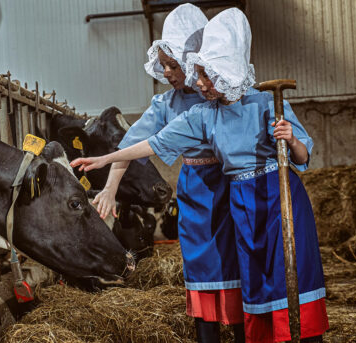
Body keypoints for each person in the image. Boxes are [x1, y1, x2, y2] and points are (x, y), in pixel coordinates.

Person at [72, 8, 328, 343]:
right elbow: (147, 143)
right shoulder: (194, 113)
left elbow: (301, 154)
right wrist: (107, 168)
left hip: (262, 193)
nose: (175, 75)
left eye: (178, 66)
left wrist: (291, 139)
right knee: (237, 273)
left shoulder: (262, 103)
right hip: (226, 195)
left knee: (278, 270)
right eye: (194, 72)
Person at [92, 4, 244, 342]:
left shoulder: (227, 92)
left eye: (173, 65)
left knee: (237, 264)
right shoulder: (166, 105)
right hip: (195, 190)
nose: (168, 73)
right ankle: (208, 335)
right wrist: (110, 189)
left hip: (233, 188)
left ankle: (243, 332)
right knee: (201, 266)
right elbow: (128, 148)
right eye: (163, 66)